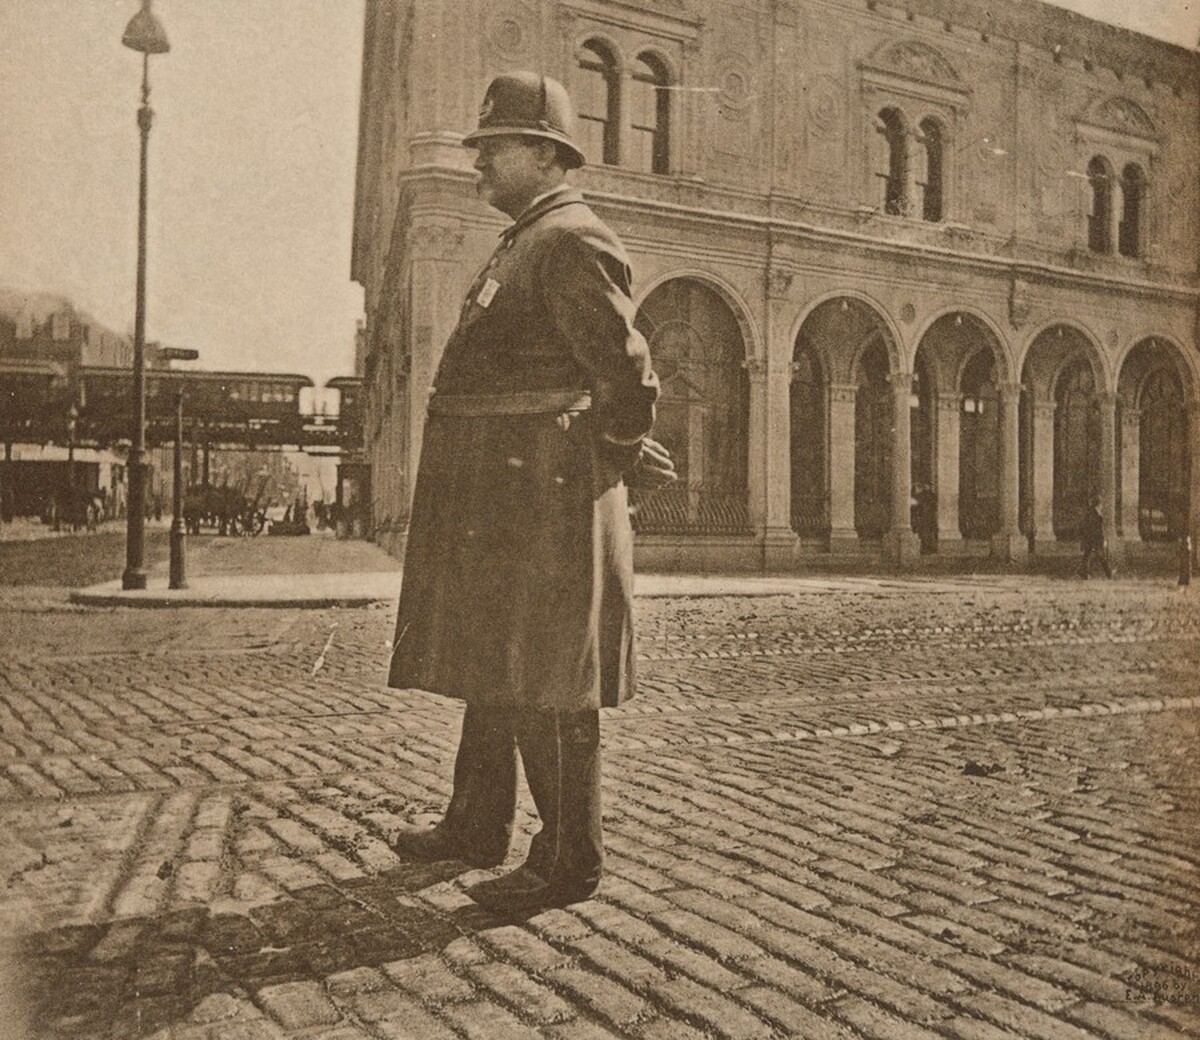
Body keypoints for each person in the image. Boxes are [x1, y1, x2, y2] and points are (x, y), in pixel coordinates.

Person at [387, 71, 671, 914]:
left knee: (549, 676)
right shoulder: (525, 238)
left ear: (546, 154)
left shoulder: (572, 238)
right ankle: (477, 823)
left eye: (494, 147)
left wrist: (597, 463)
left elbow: (628, 379)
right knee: (494, 660)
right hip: (504, 500)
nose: (478, 161)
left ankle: (569, 859)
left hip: (546, 501)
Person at [1080, 498, 1112, 578]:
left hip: (1089, 538)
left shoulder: (1090, 513)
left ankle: (1084, 573)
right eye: (1101, 504)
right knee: (1101, 556)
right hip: (1095, 539)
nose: (1102, 506)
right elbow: (1098, 529)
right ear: (1097, 505)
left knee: (1087, 555)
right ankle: (1109, 573)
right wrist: (1102, 539)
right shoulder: (1096, 515)